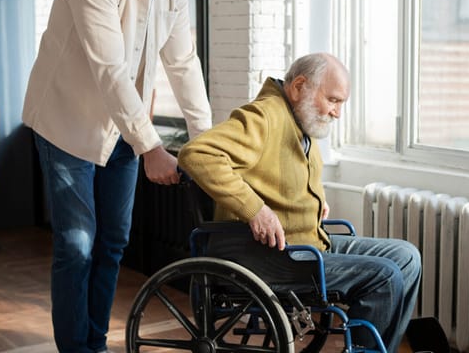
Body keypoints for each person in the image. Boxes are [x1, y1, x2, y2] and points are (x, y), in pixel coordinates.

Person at [21, 0, 211, 351]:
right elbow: (110, 70)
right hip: (67, 125)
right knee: (77, 245)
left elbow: (183, 63)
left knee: (112, 242)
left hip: (124, 129)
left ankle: (95, 342)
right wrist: (152, 147)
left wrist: (206, 141)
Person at [178, 52, 421, 352]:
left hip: (308, 240)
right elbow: (197, 154)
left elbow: (287, 175)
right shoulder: (264, 116)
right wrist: (256, 210)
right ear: (299, 87)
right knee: (383, 276)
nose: (337, 112)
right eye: (333, 100)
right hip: (272, 254)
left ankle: (376, 348)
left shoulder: (301, 124)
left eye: (341, 103)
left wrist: (315, 200)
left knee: (406, 257)